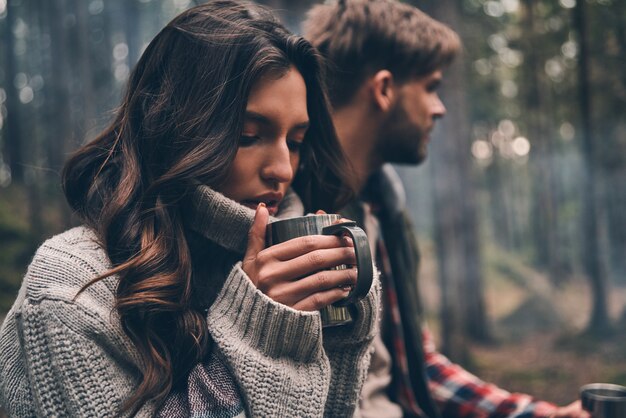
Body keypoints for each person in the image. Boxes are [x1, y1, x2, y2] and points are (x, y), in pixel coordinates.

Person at [0, 1, 381, 416]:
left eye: (295, 142)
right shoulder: (72, 289)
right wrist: (257, 336)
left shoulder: (283, 261)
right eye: (248, 136)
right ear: (178, 130)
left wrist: (341, 328)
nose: (283, 169)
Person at [303, 1, 587, 417]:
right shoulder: (286, 212)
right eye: (431, 86)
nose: (441, 108)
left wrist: (539, 414)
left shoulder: (382, 208)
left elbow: (414, 364)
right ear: (383, 89)